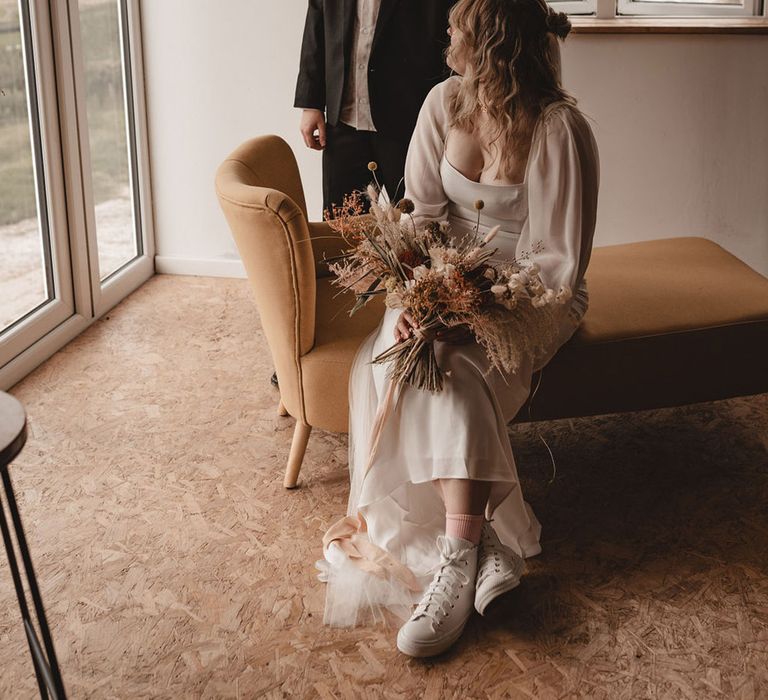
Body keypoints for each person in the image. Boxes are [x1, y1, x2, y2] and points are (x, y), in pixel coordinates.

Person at [315, 0, 599, 658]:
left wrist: (482, 318)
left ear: (491, 41)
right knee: (401, 350)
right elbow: (418, 218)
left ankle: (453, 562)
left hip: (524, 301)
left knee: (452, 369)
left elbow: (556, 269)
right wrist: (416, 290)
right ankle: (476, 544)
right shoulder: (443, 104)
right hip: (439, 285)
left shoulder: (559, 130)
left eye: (458, 28)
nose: (447, 38)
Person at [294, 0, 456, 214]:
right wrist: (311, 102)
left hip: (409, 120)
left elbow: (451, 31)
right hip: (344, 118)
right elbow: (318, 19)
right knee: (342, 225)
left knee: (414, 224)